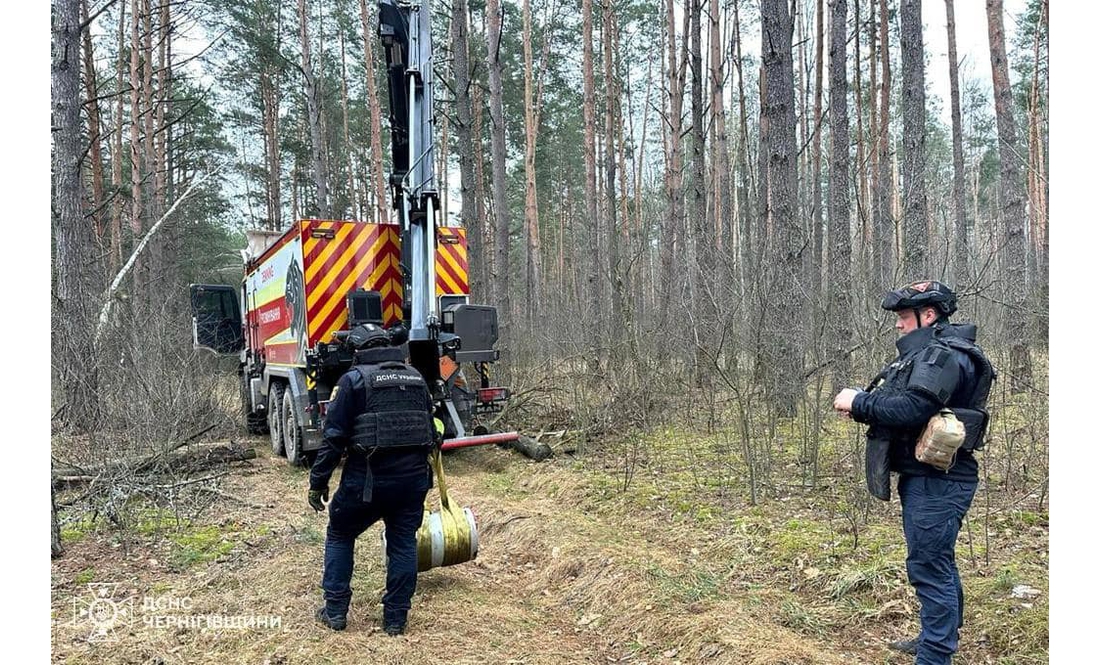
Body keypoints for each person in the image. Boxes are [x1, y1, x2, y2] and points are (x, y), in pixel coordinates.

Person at [832, 281, 994, 664]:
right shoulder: (929, 356)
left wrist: (860, 401)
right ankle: (938, 638)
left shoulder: (941, 356)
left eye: (905, 317)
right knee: (937, 560)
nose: (899, 325)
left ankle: (935, 654)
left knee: (928, 566)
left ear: (930, 315)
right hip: (930, 478)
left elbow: (911, 409)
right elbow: (903, 403)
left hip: (939, 483)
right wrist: (866, 402)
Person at [309, 322, 440, 635]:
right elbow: (433, 431)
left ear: (358, 351)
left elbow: (333, 439)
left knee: (340, 533)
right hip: (412, 482)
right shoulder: (416, 378)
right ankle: (396, 619)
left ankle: (336, 611)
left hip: (367, 483)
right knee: (403, 543)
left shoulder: (353, 380)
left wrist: (317, 483)